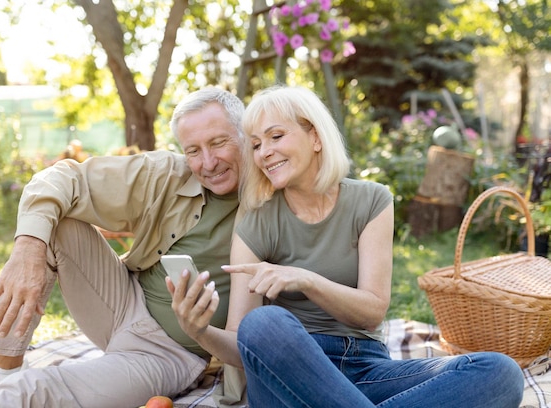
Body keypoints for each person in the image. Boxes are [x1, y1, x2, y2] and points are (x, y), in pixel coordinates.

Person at [171, 85, 524, 407]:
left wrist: (305, 280)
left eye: (276, 136)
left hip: (365, 369)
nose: (265, 152)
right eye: (257, 144)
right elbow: (241, 344)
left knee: (499, 372)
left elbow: (371, 311)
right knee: (262, 323)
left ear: (315, 137)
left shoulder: (371, 200)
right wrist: (199, 330)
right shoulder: (256, 219)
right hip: (289, 375)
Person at [0, 87, 245, 408]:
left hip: (168, 352)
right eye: (193, 150)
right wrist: (27, 251)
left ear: (245, 134)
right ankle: (0, 365)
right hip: (121, 300)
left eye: (218, 143)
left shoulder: (273, 205)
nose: (208, 162)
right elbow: (59, 178)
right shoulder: (167, 173)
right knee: (55, 221)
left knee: (34, 390)